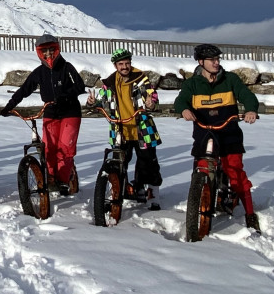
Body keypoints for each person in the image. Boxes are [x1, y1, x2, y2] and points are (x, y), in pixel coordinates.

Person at [174, 43, 261, 232]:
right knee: (201, 170)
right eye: (212, 60)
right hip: (204, 134)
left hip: (229, 134)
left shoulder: (230, 79)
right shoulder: (192, 84)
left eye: (217, 59)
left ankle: (250, 214)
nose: (216, 62)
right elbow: (180, 100)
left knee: (236, 174)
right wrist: (184, 109)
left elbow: (246, 95)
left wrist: (251, 110)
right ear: (200, 62)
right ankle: (199, 203)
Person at [0, 34, 86, 195]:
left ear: (57, 50)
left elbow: (80, 86)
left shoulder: (67, 67)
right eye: (44, 51)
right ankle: (51, 178)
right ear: (39, 52)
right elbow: (24, 90)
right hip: (50, 113)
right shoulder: (39, 72)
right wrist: (9, 106)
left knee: (65, 148)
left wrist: (65, 96)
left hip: (70, 111)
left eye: (51, 50)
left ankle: (63, 180)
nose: (48, 54)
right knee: (49, 149)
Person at [86, 48, 162, 209]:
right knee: (120, 162)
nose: (125, 67)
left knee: (147, 161)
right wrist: (93, 103)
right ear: (115, 66)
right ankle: (120, 190)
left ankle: (150, 191)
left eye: (127, 63)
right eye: (121, 64)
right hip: (120, 129)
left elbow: (151, 96)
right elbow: (100, 100)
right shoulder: (110, 83)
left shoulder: (141, 79)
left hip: (142, 128)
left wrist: (151, 103)